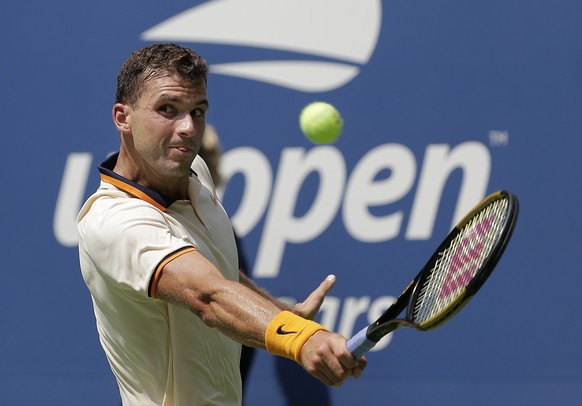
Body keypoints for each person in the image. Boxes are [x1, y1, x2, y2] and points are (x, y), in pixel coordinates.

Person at [76, 43, 366, 406]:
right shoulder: (115, 221)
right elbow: (208, 295)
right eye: (167, 109)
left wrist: (280, 314)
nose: (187, 128)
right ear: (123, 117)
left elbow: (216, 268)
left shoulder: (195, 170)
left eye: (197, 111)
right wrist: (300, 337)